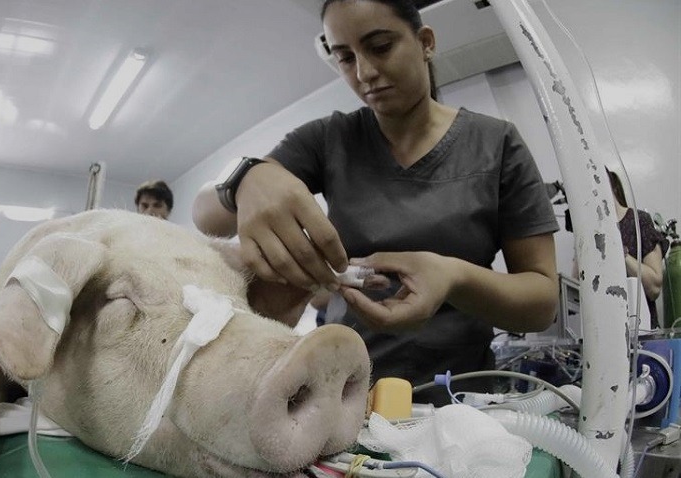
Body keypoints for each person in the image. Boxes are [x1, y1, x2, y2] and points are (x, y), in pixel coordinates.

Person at [192, 0, 560, 405]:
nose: (364, 73)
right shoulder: (329, 140)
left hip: (459, 399)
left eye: (381, 46)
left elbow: (541, 302)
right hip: (340, 393)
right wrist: (246, 178)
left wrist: (454, 277)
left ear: (425, 42)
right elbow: (207, 216)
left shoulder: (496, 144)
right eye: (345, 58)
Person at [606, 169, 667, 328]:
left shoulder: (639, 221)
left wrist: (620, 252)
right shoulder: (590, 232)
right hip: (607, 334)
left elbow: (654, 288)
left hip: (642, 335)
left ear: (611, 186)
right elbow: (576, 292)